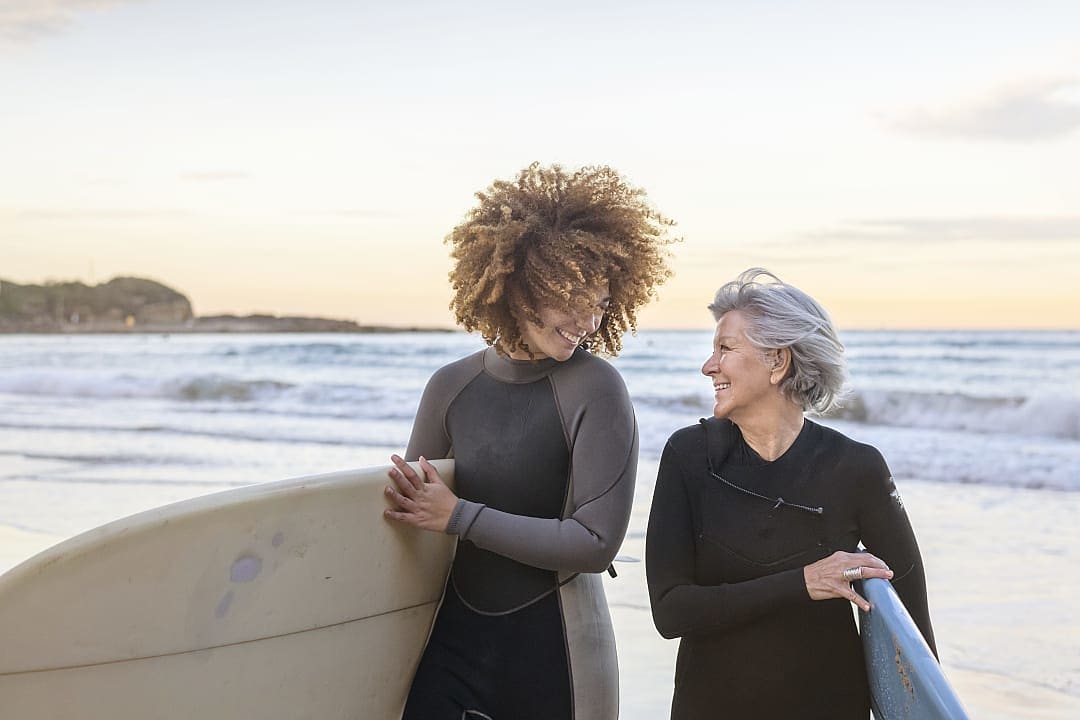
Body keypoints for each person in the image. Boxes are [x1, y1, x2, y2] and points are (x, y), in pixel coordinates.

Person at [383, 162, 675, 720]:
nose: (588, 320)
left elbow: (595, 543)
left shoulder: (597, 389)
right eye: (575, 298)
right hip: (451, 648)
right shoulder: (450, 386)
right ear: (522, 284)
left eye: (600, 303)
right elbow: (411, 521)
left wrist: (459, 516)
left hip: (558, 654)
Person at [645, 268, 936, 719]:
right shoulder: (689, 456)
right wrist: (804, 581)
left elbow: (913, 630)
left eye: (725, 348)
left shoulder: (855, 467)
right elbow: (670, 611)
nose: (708, 366)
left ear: (777, 362)